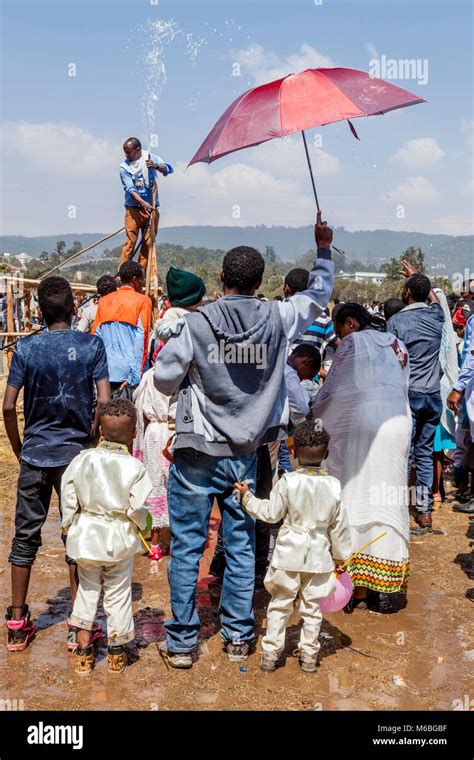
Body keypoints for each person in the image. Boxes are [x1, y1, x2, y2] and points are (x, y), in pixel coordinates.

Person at [154, 211, 334, 668]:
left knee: (189, 547)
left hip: (197, 451)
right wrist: (323, 249)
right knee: (240, 544)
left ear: (221, 278)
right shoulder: (279, 317)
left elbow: (162, 380)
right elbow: (317, 297)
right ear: (261, 281)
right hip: (247, 455)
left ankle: (180, 644)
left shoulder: (194, 325)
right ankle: (237, 635)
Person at [3, 276, 110, 652]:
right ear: (73, 308)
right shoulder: (91, 345)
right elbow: (104, 402)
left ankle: (17, 623)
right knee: (76, 537)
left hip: (34, 454)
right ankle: (79, 627)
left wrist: (20, 450)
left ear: (42, 312)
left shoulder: (27, 349)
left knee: (24, 537)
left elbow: (7, 406)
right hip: (75, 458)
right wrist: (92, 439)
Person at [312, 303, 412, 611]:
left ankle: (357, 589)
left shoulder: (355, 343)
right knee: (388, 499)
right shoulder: (397, 344)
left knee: (356, 498)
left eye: (340, 330)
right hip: (399, 421)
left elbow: (333, 390)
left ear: (351, 323)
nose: (340, 338)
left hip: (367, 425)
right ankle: (384, 581)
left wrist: (313, 413)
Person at [234, 422, 351, 673]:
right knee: (312, 608)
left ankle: (271, 654)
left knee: (280, 603)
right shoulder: (334, 486)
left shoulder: (288, 481)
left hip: (288, 554)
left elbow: (270, 513)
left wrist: (246, 497)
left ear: (294, 453)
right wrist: (342, 557)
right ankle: (309, 655)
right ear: (327, 454)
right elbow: (339, 527)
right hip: (319, 557)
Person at [61, 399, 152, 674]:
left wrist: (69, 526)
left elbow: (68, 498)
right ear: (135, 432)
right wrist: (145, 528)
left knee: (87, 592)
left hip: (86, 537)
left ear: (99, 430)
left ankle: (84, 653)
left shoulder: (82, 459)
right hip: (119, 541)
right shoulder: (135, 468)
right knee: (119, 594)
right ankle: (115, 653)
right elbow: (138, 510)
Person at [387, 261, 444, 531]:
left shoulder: (396, 322)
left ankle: (398, 508)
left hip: (408, 395)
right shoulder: (437, 317)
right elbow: (434, 299)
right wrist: (418, 277)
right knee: (423, 453)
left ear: (408, 292)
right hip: (433, 396)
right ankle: (424, 512)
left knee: (402, 452)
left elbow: (392, 361)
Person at [92, 261, 151, 396]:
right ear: (134, 280)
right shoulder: (143, 301)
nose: (143, 282)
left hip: (105, 373)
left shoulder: (104, 301)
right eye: (142, 278)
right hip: (128, 376)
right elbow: (142, 340)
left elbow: (96, 337)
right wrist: (134, 379)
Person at [119, 137, 173, 270]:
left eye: (129, 152)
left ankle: (140, 273)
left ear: (138, 150)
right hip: (134, 209)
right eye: (125, 152)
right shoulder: (124, 167)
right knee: (130, 242)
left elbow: (169, 169)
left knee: (147, 242)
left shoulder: (150, 157)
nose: (126, 155)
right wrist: (143, 203)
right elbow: (131, 190)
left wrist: (155, 166)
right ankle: (122, 274)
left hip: (152, 209)